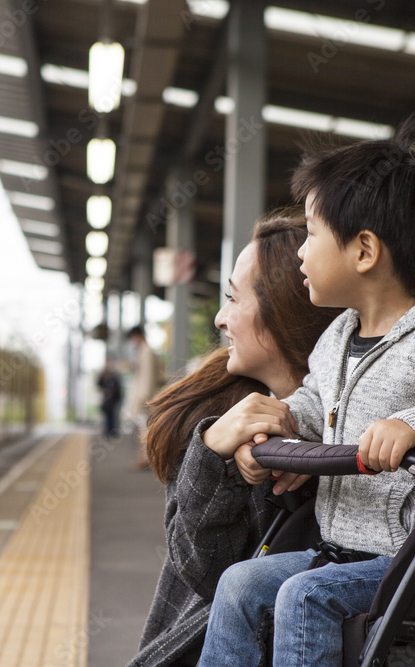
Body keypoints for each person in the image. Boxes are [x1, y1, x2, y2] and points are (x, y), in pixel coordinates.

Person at [198, 131, 415, 666]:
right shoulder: (338, 336)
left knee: (303, 596)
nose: (301, 251)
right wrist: (275, 432)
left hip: (413, 560)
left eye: (310, 234)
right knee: (241, 583)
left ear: (364, 250)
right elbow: (315, 406)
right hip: (340, 552)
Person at [129, 212, 341, 667]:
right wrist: (211, 452)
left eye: (232, 298)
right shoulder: (212, 416)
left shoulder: (353, 435)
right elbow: (205, 573)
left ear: (284, 313)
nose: (221, 319)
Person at [128, 324, 164, 469]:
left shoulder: (147, 351)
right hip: (143, 395)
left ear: (138, 335)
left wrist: (144, 396)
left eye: (133, 337)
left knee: (144, 428)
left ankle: (146, 458)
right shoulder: (144, 351)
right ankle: (144, 457)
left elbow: (148, 376)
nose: (133, 341)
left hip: (144, 397)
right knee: (144, 427)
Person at [97, 355, 123, 437]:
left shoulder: (115, 375)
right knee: (107, 416)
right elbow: (99, 384)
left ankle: (113, 431)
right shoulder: (104, 374)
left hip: (114, 399)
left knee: (114, 415)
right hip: (107, 400)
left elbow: (118, 388)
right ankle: (108, 431)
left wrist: (118, 397)